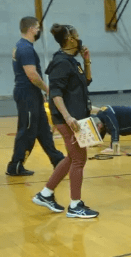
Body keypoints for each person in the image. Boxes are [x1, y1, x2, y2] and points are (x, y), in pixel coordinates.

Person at [31, 24, 98, 218]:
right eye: (76, 35)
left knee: (71, 158)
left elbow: (87, 82)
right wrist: (68, 117)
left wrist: (87, 62)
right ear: (69, 39)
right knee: (79, 159)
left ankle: (45, 194)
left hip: (75, 118)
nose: (79, 38)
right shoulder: (61, 62)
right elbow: (56, 93)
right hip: (69, 120)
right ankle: (75, 206)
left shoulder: (72, 61)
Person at [6, 16, 64, 176]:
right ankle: (15, 165)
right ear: (31, 29)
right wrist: (47, 89)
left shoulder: (23, 46)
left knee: (43, 128)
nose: (39, 30)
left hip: (31, 93)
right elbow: (32, 75)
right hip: (27, 94)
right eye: (37, 27)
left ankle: (57, 159)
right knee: (28, 129)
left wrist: (39, 93)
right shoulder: (25, 48)